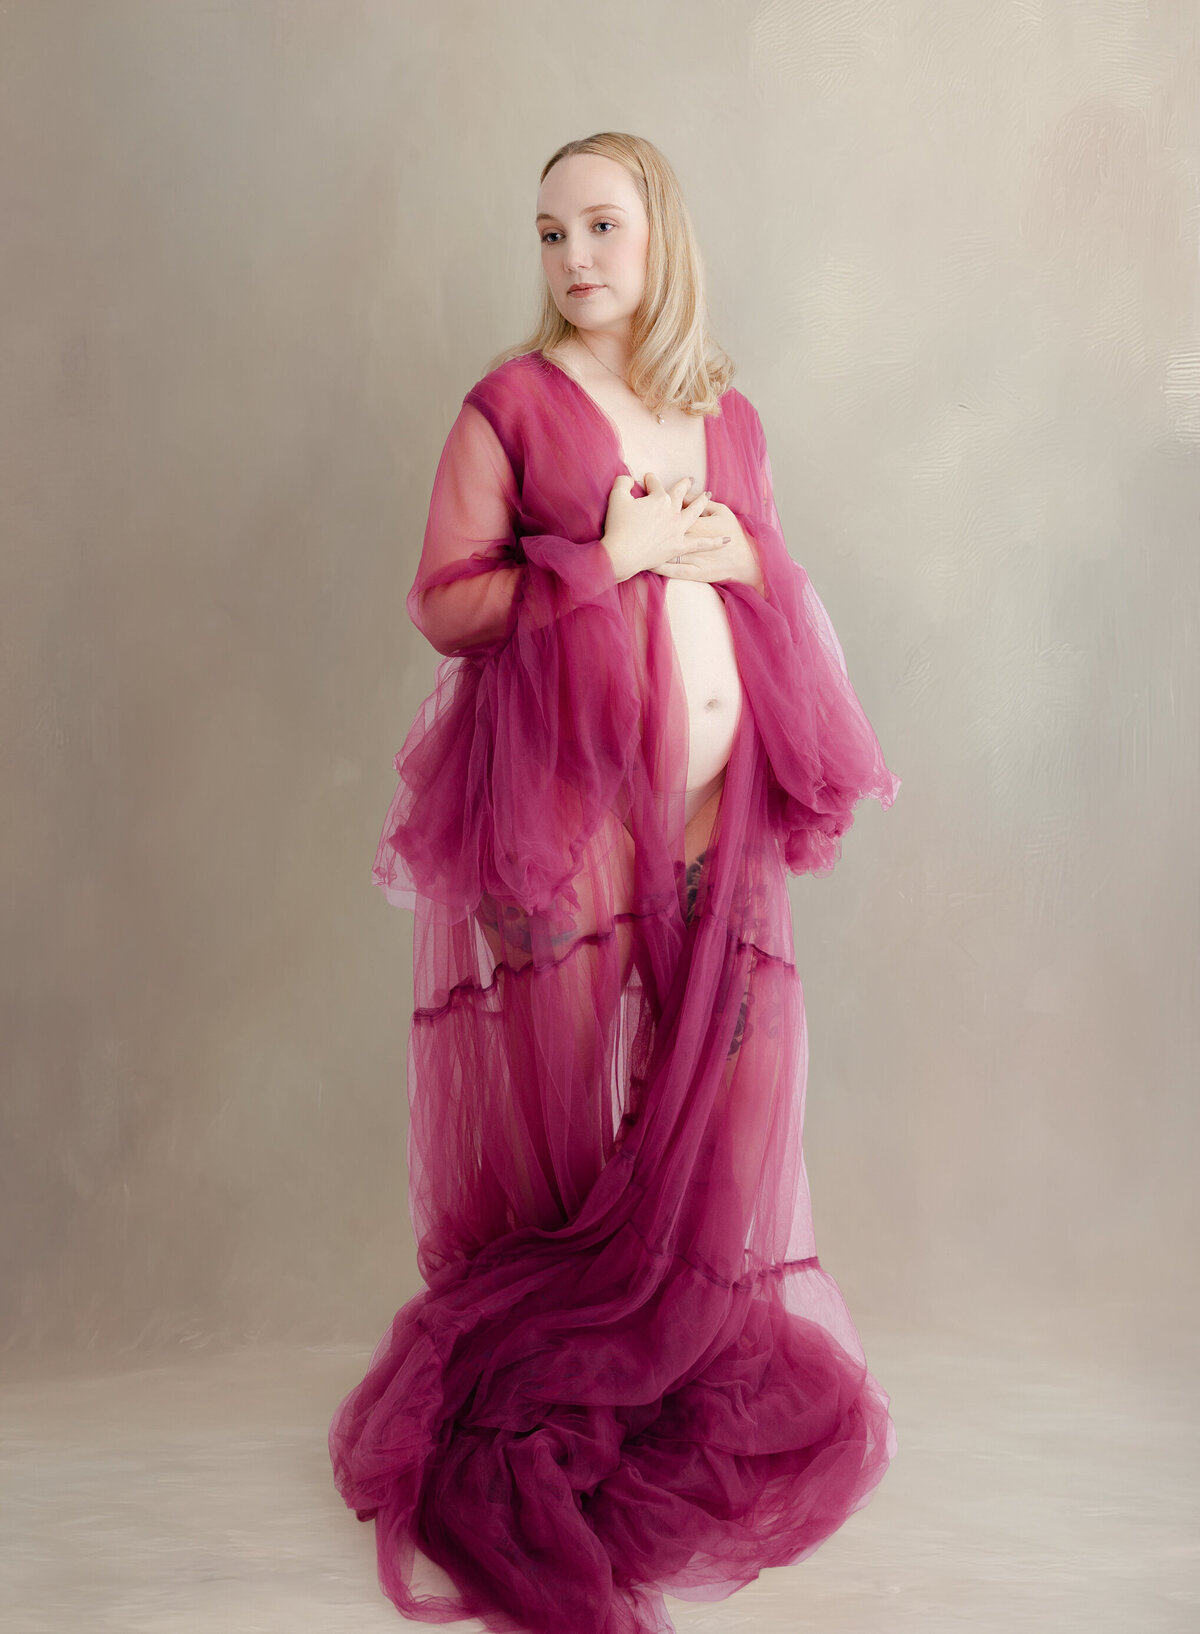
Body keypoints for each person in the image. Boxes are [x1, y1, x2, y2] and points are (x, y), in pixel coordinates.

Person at [329, 131, 901, 1634]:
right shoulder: (508, 407)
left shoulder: (727, 411)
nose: (575, 257)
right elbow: (452, 602)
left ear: (661, 237)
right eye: (549, 233)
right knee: (574, 1105)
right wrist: (606, 549)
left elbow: (774, 578)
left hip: (719, 818)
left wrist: (732, 555)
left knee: (721, 1094)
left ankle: (662, 1362)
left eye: (601, 225)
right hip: (574, 810)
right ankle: (542, 1388)